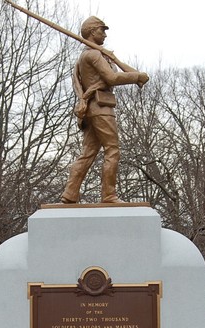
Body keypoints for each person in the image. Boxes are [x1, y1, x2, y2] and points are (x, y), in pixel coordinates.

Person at [61, 16, 149, 204]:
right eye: (102, 30)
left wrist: (115, 59)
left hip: (93, 109)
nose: (105, 35)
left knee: (88, 153)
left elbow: (130, 74)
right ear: (92, 32)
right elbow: (111, 78)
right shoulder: (93, 55)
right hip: (101, 108)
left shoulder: (89, 55)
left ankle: (70, 194)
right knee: (112, 150)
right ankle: (109, 195)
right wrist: (137, 77)